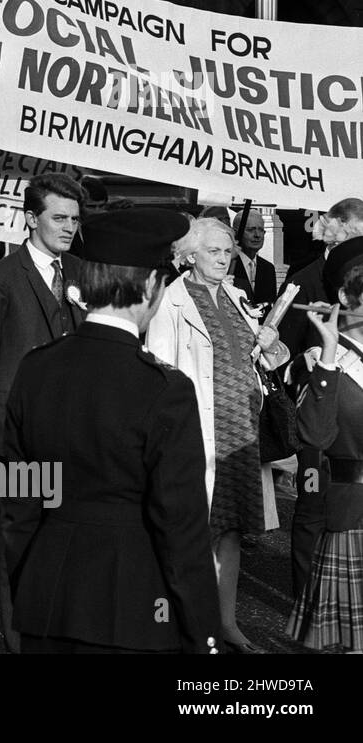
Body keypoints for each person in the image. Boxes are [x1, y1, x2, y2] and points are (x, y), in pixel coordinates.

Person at [1, 209, 221, 654]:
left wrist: (25, 595)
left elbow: (20, 501)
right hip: (134, 608)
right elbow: (181, 527)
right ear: (150, 286)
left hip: (48, 599)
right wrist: (205, 635)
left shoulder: (36, 368)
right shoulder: (164, 388)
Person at [146, 216, 289, 653]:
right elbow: (158, 373)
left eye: (227, 251)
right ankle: (176, 626)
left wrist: (270, 344)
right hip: (197, 434)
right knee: (189, 533)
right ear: (189, 256)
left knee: (229, 530)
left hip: (240, 433)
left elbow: (269, 363)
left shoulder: (237, 296)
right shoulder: (169, 302)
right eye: (214, 251)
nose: (224, 259)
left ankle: (225, 622)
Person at [0, 171, 86, 651]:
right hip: (18, 445)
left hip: (77, 440)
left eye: (74, 219)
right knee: (22, 548)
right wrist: (5, 424)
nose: (68, 227)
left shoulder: (79, 271)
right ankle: (20, 644)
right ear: (31, 219)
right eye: (58, 217)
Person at [280, 198, 363, 603]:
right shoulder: (306, 279)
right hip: (324, 430)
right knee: (313, 512)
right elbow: (285, 349)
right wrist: (311, 365)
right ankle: (308, 599)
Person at [230, 216, 276, 306]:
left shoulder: (268, 268)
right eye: (251, 230)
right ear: (236, 233)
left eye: (261, 230)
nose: (257, 235)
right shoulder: (228, 265)